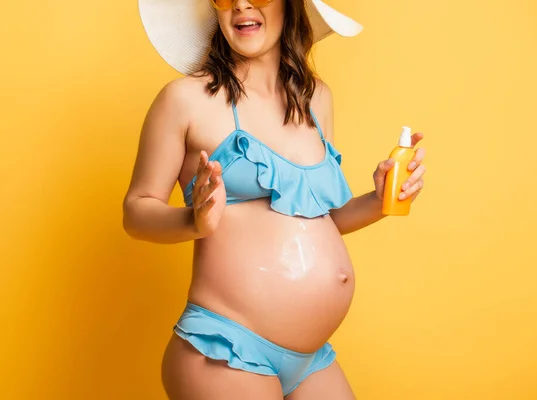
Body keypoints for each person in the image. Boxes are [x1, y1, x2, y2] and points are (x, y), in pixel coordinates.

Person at [123, 0, 426, 398]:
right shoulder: (184, 100)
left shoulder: (316, 99)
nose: (243, 4)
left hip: (311, 357)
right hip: (227, 346)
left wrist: (381, 197)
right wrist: (193, 221)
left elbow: (322, 218)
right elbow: (136, 209)